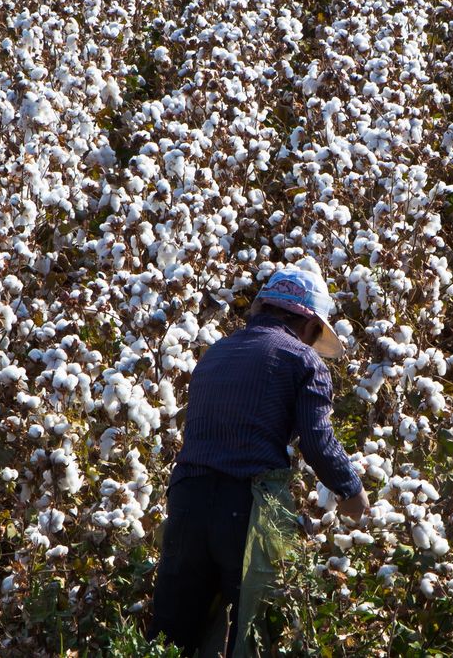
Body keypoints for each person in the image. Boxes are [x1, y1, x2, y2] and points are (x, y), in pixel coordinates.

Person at [149, 262, 369, 656]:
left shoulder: (215, 353)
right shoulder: (302, 360)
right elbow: (317, 440)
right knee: (251, 632)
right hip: (243, 507)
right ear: (309, 325)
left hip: (186, 502)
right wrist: (351, 491)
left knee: (171, 633)